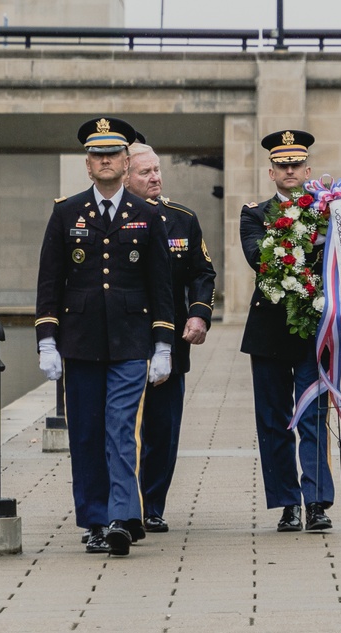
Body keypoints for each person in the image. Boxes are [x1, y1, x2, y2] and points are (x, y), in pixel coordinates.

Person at [35, 117, 174, 557]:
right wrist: (47, 340)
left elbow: (161, 286)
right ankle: (94, 520)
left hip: (132, 342)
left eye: (113, 153)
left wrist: (164, 345)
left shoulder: (148, 215)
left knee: (120, 429)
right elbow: (50, 282)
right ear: (88, 165)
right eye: (98, 154)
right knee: (87, 434)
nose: (106, 160)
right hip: (80, 342)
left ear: (126, 160)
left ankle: (121, 516)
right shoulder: (66, 212)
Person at [239, 129, 334, 533]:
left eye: (296, 164)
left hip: (315, 329)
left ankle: (315, 502)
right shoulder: (254, 214)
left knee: (313, 416)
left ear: (308, 169)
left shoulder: (331, 213)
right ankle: (286, 503)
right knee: (274, 421)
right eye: (282, 165)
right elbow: (259, 258)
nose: (289, 170)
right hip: (270, 330)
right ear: (271, 171)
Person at [124, 139, 216, 534]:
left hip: (171, 340)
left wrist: (199, 315)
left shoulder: (182, 219)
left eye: (157, 170)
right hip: (124, 338)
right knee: (122, 427)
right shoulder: (115, 218)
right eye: (145, 172)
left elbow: (203, 273)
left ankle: (152, 505)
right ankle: (124, 505)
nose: (155, 177)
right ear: (125, 176)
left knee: (163, 429)